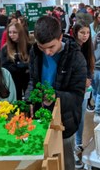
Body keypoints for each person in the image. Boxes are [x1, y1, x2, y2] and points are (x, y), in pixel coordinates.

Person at [25, 16, 87, 170]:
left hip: (65, 122)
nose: (47, 52)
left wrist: (56, 96)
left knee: (65, 162)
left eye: (51, 47)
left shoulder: (76, 58)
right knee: (45, 161)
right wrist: (29, 100)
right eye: (42, 47)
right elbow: (33, 80)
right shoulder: (35, 52)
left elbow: (78, 97)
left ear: (60, 37)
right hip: (41, 119)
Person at [72, 20, 95, 169]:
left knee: (81, 116)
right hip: (75, 88)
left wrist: (89, 78)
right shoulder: (73, 48)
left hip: (85, 88)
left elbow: (90, 65)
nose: (85, 35)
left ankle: (79, 143)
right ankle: (74, 146)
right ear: (75, 33)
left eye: (87, 32)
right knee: (75, 116)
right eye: (82, 32)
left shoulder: (87, 47)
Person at [1, 22, 30, 100]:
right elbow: (4, 65)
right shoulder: (5, 48)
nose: (11, 35)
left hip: (27, 79)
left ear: (20, 33)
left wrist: (21, 66)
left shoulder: (29, 46)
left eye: (14, 32)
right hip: (13, 80)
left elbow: (31, 63)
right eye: (10, 32)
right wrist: (20, 67)